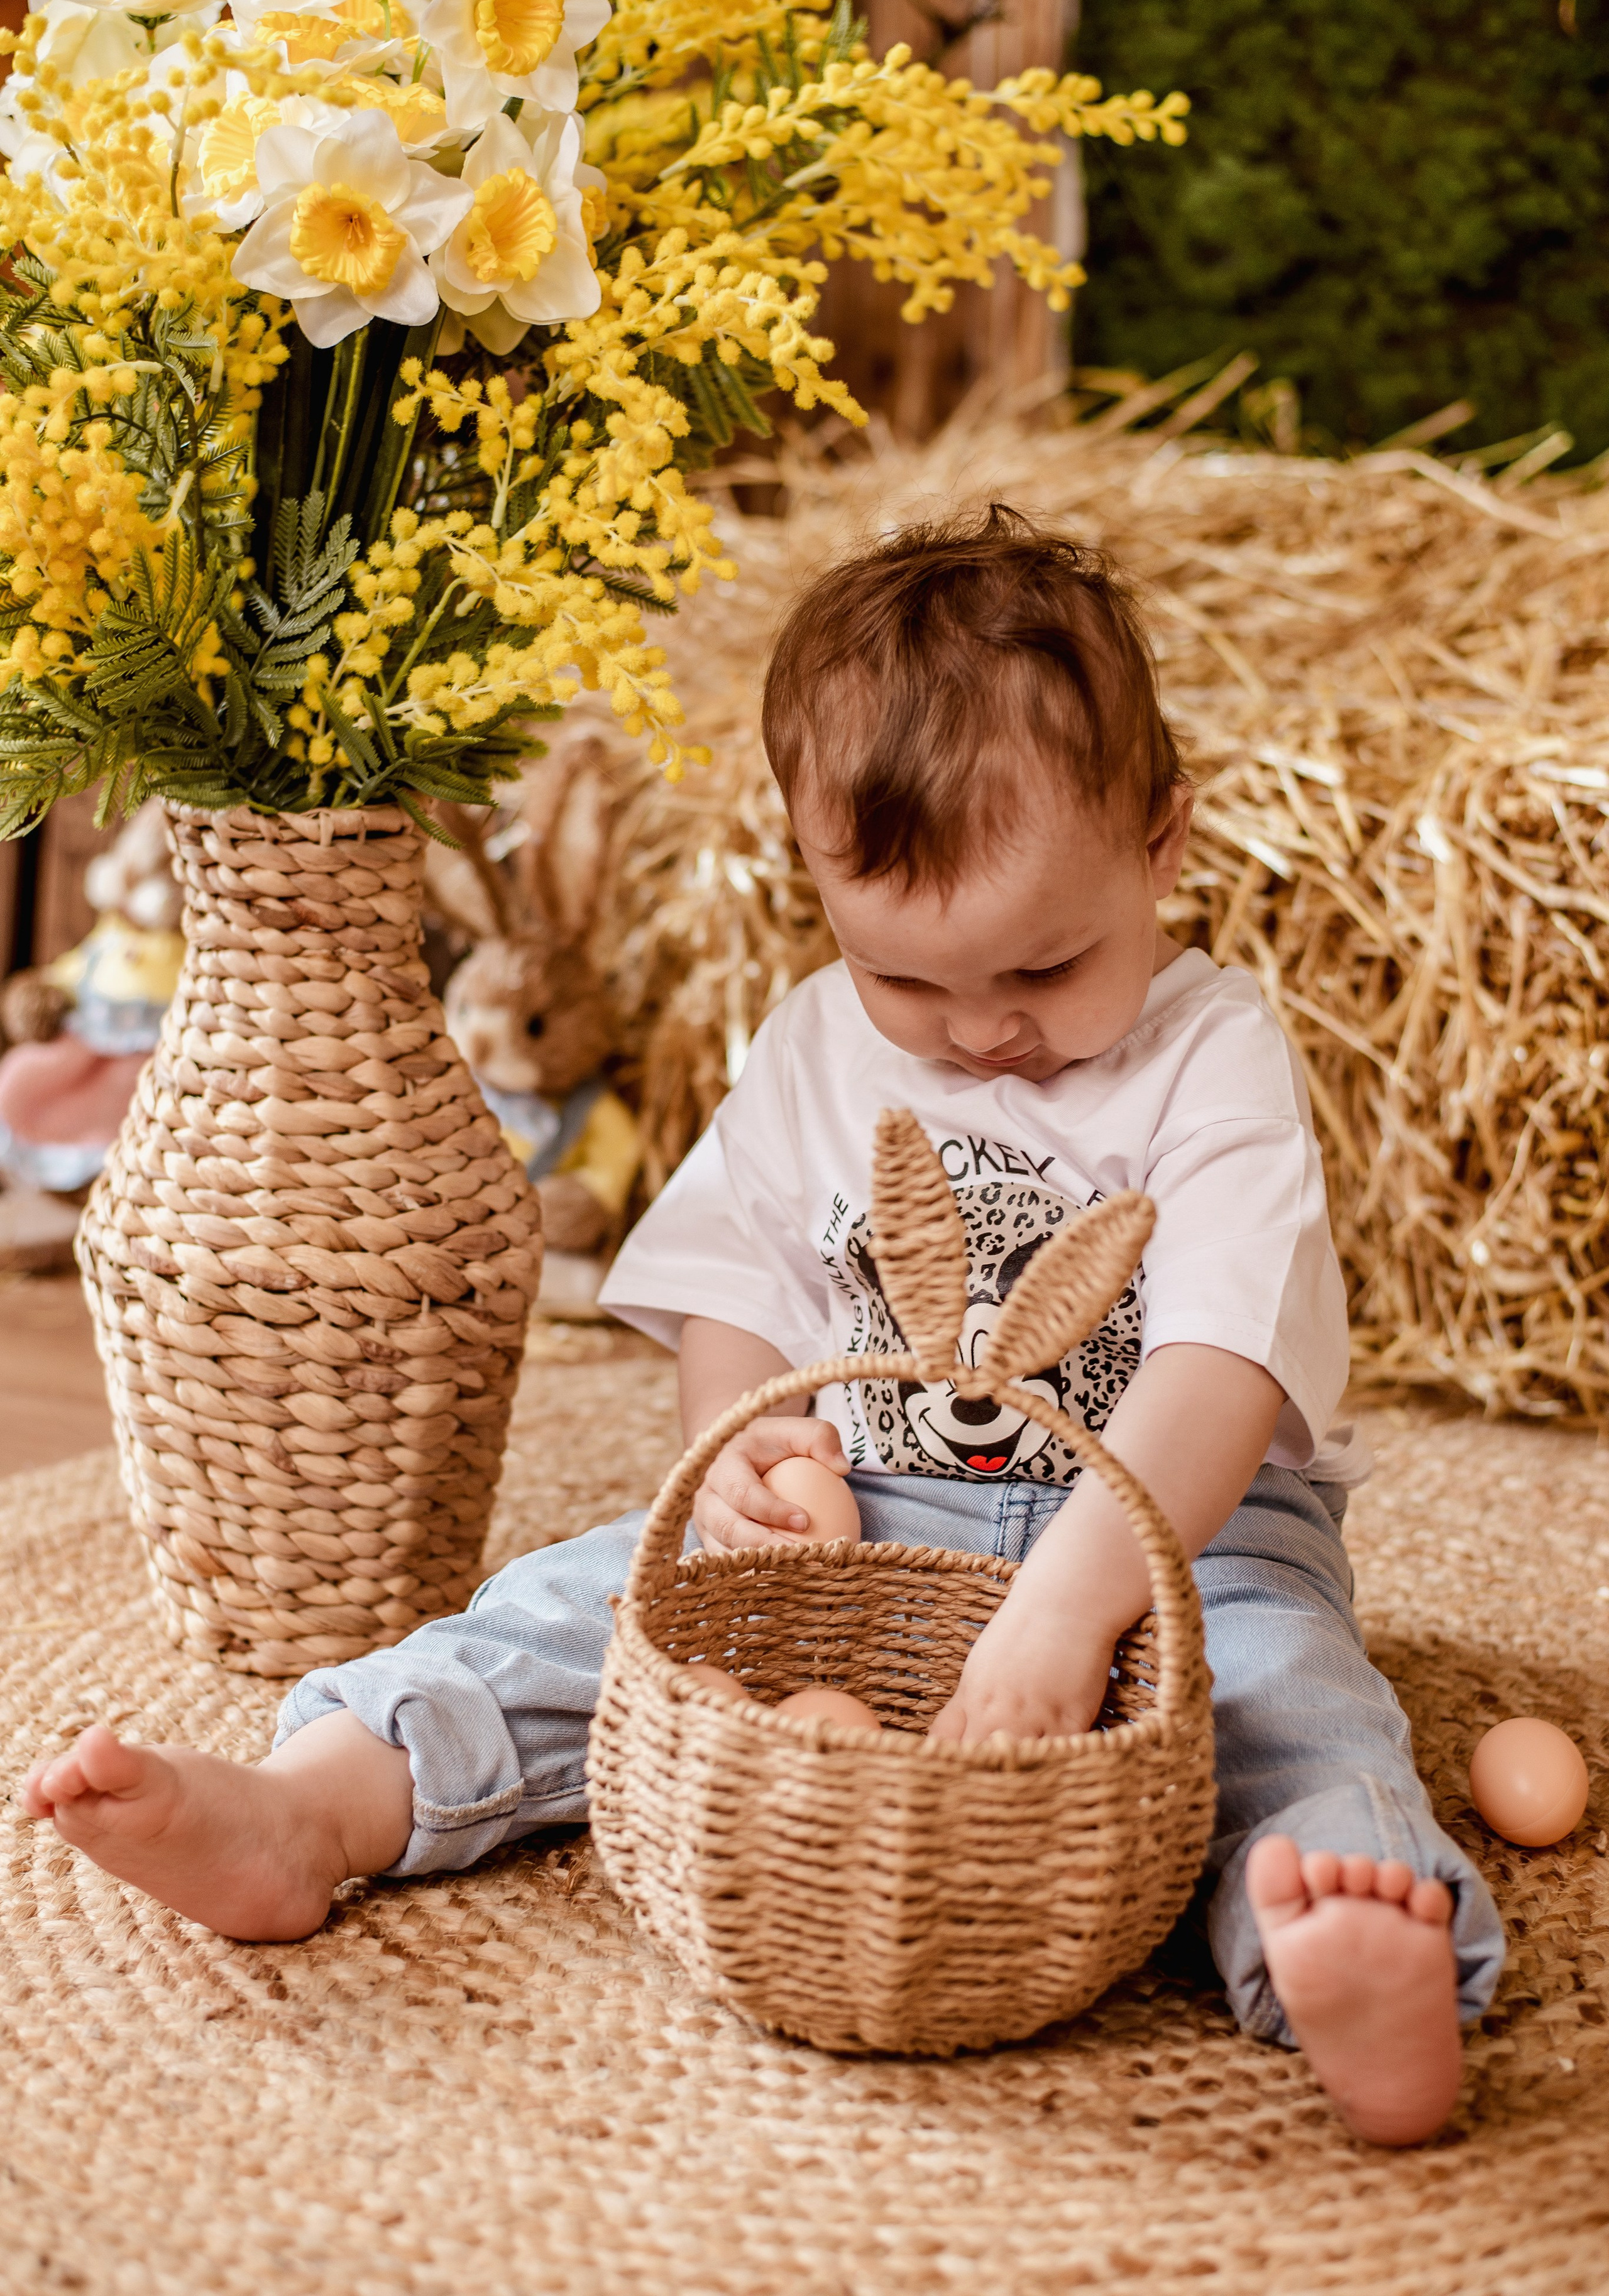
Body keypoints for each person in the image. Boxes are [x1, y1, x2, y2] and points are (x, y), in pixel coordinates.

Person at [21, 510, 1503, 2146]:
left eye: (1047, 967)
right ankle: (321, 1808)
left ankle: (1346, 1948)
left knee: (1286, 1698)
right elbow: (735, 1285)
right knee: (586, 1614)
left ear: (1162, 843)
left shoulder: (1214, 1055)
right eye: (908, 983)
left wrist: (1074, 1606)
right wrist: (761, 1453)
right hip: (873, 1504)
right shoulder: (814, 1047)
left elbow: (1219, 1363)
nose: (984, 1032)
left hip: (1186, 1537)